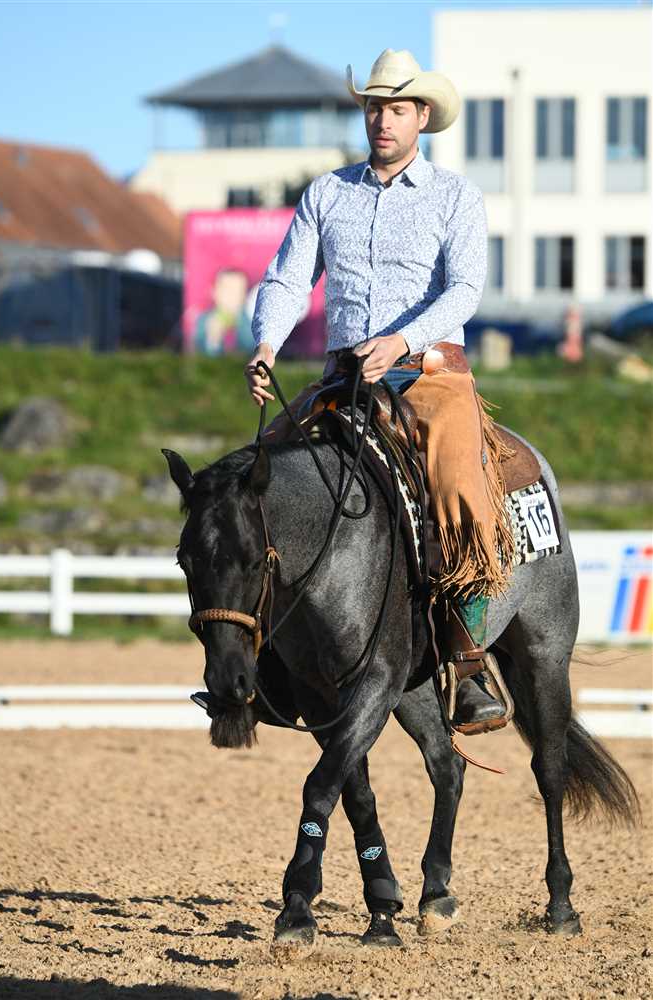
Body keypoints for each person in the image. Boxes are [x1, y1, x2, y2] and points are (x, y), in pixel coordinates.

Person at [244, 49, 515, 734]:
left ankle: (467, 659)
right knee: (258, 480)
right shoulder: (326, 193)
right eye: (373, 107)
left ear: (422, 115)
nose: (382, 120)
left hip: (428, 374)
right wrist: (267, 343)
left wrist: (400, 341)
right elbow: (287, 278)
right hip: (343, 377)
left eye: (396, 108)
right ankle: (262, 658)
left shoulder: (456, 196)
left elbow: (464, 290)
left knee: (459, 486)